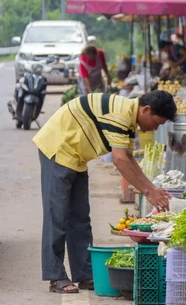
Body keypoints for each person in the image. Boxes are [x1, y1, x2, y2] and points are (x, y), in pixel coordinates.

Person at [33, 91, 176, 293]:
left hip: (77, 156)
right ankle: (55, 276)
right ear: (146, 109)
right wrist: (148, 191)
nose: (156, 127)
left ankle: (84, 275)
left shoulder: (128, 119)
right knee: (56, 214)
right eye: (157, 122)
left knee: (80, 217)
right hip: (59, 148)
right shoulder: (121, 113)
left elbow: (127, 157)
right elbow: (119, 160)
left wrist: (151, 189)